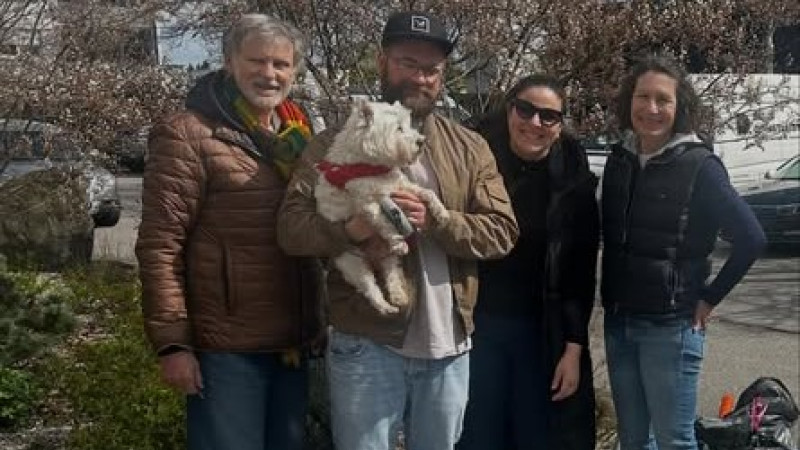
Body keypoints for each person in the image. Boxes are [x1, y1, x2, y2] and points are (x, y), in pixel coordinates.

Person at [277, 10, 519, 450]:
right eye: (408, 63)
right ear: (382, 62)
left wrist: (438, 221)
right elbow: (291, 229)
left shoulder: (470, 147)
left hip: (447, 346)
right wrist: (351, 229)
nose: (420, 77)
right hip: (366, 340)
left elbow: (502, 231)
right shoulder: (332, 145)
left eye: (431, 69)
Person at [136, 14, 319, 450]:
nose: (269, 74)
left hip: (294, 342)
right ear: (229, 62)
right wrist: (173, 344)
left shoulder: (301, 135)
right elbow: (161, 246)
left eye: (281, 64)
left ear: (295, 72)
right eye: (257, 61)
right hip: (227, 348)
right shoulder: (188, 135)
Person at [601, 55, 766, 450]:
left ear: (680, 107)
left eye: (663, 99)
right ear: (629, 101)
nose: (651, 108)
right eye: (643, 97)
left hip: (670, 327)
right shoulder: (620, 160)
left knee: (674, 441)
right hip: (619, 322)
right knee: (633, 441)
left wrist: (709, 298)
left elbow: (751, 237)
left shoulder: (700, 165)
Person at [457, 75, 600, 450]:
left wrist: (574, 348)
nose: (534, 123)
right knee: (478, 435)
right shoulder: (473, 161)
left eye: (548, 116)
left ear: (560, 126)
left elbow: (580, 272)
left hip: (540, 333)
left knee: (536, 436)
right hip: (476, 327)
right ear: (509, 110)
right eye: (525, 110)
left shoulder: (572, 180)